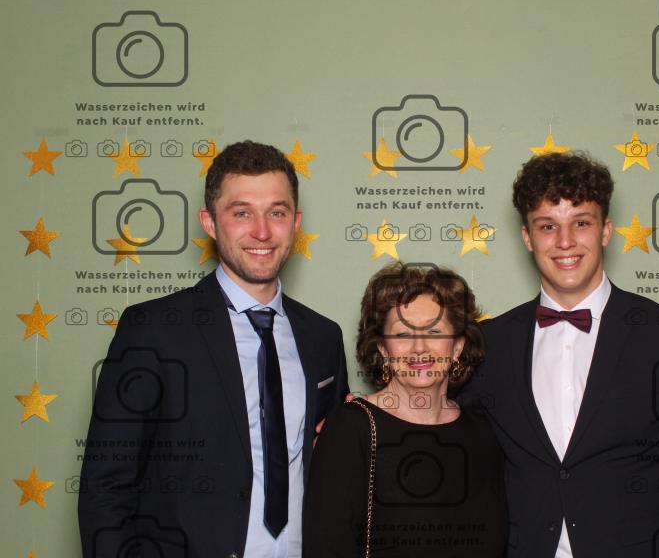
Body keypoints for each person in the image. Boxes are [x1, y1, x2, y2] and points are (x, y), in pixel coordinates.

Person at [459, 152, 659, 557]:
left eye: (581, 223)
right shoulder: (490, 344)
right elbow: (444, 441)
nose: (564, 242)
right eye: (547, 226)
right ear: (527, 237)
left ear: (606, 230)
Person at [78, 141, 348, 558]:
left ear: (295, 222)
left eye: (276, 213)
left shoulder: (322, 337)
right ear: (209, 222)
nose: (262, 232)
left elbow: (332, 471)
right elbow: (106, 488)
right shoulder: (153, 330)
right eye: (242, 213)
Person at [303, 263, 507, 557]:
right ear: (383, 350)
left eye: (434, 332)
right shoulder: (351, 429)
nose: (419, 348)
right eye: (402, 335)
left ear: (457, 347)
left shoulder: (483, 434)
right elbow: (326, 547)